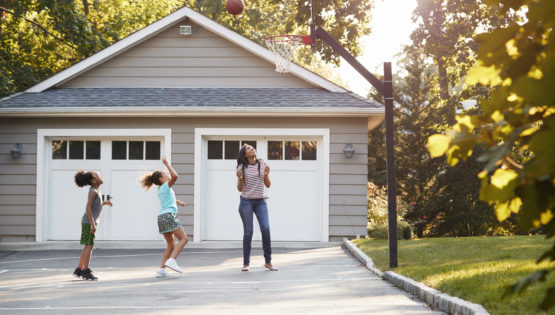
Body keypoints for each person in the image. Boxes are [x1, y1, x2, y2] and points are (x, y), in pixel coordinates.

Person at [140, 156, 188, 278]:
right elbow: (176, 176)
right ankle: (172, 260)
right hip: (168, 216)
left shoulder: (161, 189)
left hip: (161, 218)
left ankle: (161, 270)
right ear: (161, 178)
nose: (168, 174)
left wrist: (178, 202)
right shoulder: (166, 186)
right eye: (165, 173)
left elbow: (168, 200)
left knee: (171, 244)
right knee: (184, 239)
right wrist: (166, 164)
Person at [236, 144, 278, 272]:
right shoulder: (241, 167)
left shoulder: (262, 163)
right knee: (248, 232)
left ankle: (268, 262)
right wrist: (240, 178)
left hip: (260, 202)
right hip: (246, 202)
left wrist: (266, 175)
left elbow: (268, 185)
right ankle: (246, 263)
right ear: (245, 155)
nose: (252, 149)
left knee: (266, 229)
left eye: (252, 147)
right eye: (248, 149)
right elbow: (239, 189)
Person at [73, 170, 112, 281]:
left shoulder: (96, 190)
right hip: (88, 222)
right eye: (99, 175)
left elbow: (96, 206)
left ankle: (79, 269)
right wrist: (92, 224)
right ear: (94, 180)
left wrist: (105, 203)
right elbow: (88, 207)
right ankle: (86, 271)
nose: (101, 177)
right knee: (89, 246)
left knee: (87, 245)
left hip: (89, 222)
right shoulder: (93, 191)